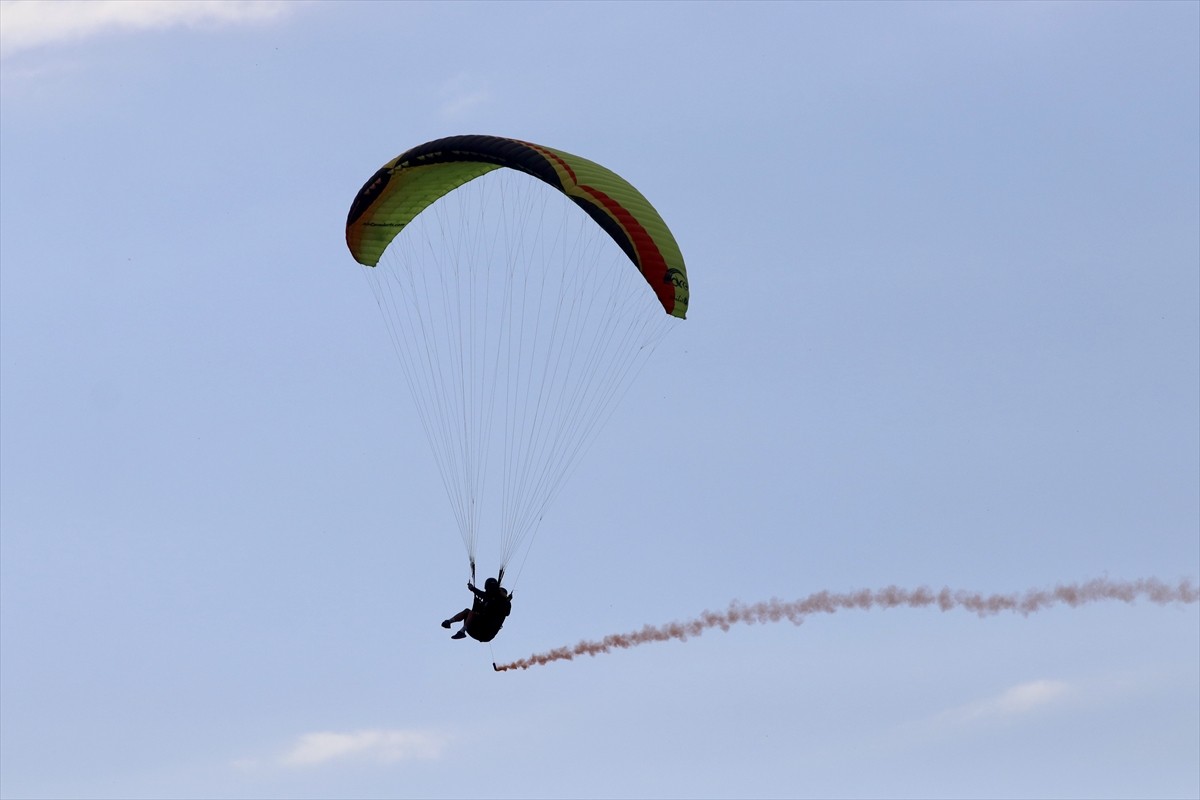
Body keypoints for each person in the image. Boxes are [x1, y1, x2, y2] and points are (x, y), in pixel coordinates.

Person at [441, 577, 513, 642]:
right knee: (467, 611)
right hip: (477, 628)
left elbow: (506, 612)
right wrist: (472, 589)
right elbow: (483, 595)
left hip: (486, 633)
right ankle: (449, 622)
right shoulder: (489, 599)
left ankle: (462, 631)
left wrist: (506, 600)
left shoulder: (504, 603)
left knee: (472, 613)